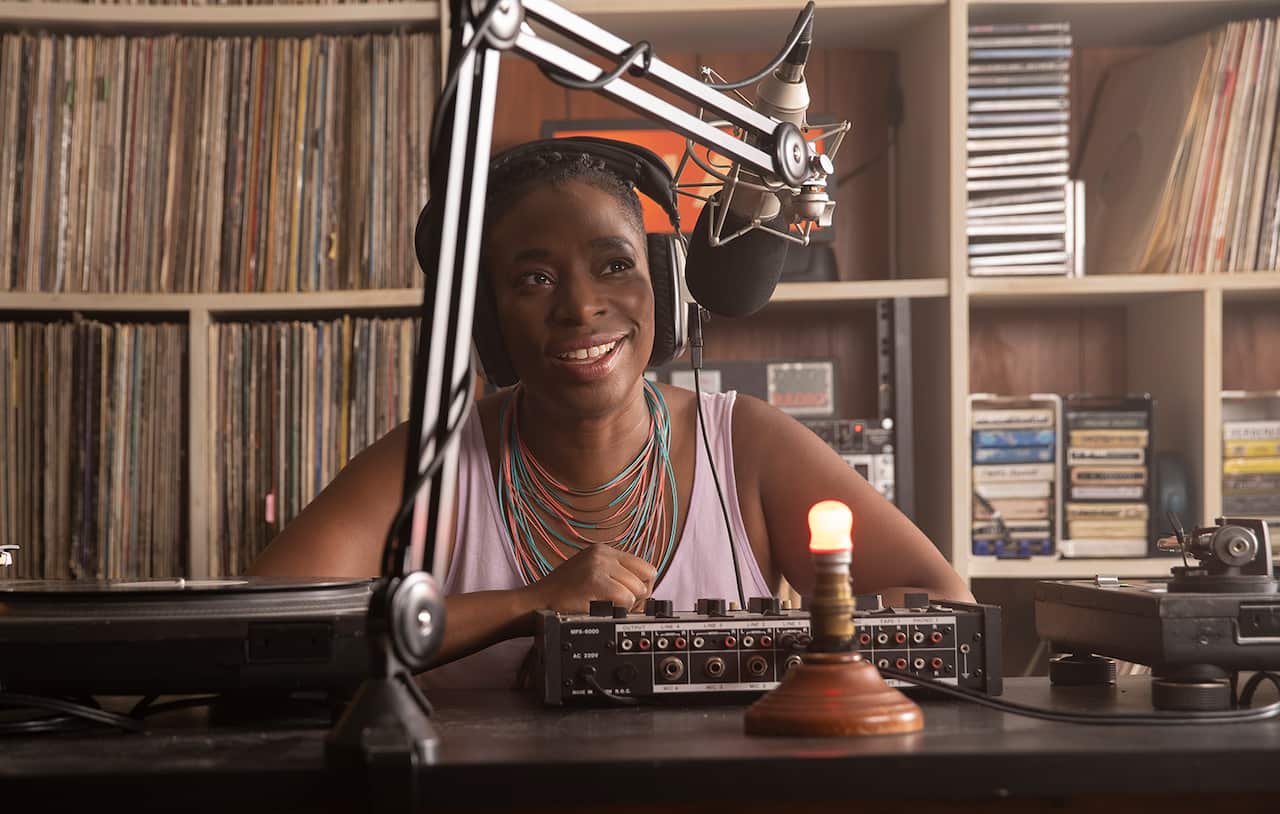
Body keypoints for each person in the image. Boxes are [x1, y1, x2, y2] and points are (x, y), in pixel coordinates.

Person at [248, 141, 973, 689]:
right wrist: (525, 604)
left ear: (663, 286)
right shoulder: (433, 461)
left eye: (615, 265)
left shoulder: (746, 444)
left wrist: (725, 646)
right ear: (491, 323)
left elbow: (946, 604)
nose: (581, 307)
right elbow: (262, 630)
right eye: (534, 279)